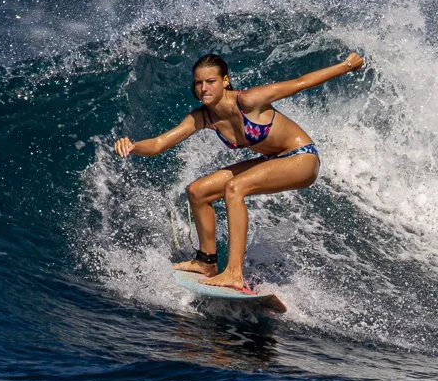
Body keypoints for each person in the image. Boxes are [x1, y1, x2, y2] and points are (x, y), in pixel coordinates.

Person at [114, 51, 365, 291]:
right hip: (274, 158)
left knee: (235, 187)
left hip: (302, 158)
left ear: (225, 81)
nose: (204, 88)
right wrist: (133, 146)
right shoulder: (204, 117)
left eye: (211, 81)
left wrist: (346, 66)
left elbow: (300, 83)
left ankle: (234, 273)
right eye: (199, 83)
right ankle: (206, 262)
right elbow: (159, 144)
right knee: (198, 191)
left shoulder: (248, 101)